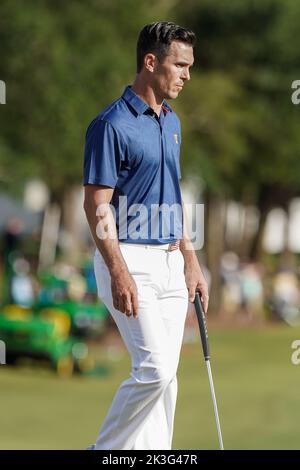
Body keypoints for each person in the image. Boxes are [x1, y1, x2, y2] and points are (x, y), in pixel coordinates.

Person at [83, 21, 209, 450]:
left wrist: (191, 259)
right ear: (150, 62)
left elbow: (174, 198)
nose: (187, 75)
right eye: (180, 64)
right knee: (154, 370)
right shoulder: (110, 124)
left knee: (167, 380)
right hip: (128, 259)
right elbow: (97, 206)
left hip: (172, 260)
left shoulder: (172, 123)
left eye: (189, 66)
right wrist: (118, 269)